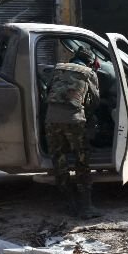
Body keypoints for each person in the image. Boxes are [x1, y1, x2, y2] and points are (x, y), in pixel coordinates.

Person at [45, 46, 102, 218]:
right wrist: (88, 112)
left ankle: (67, 204)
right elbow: (96, 101)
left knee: (59, 160)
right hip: (74, 120)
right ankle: (86, 207)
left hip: (51, 119)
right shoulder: (88, 73)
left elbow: (47, 91)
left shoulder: (58, 68)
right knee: (81, 160)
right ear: (90, 61)